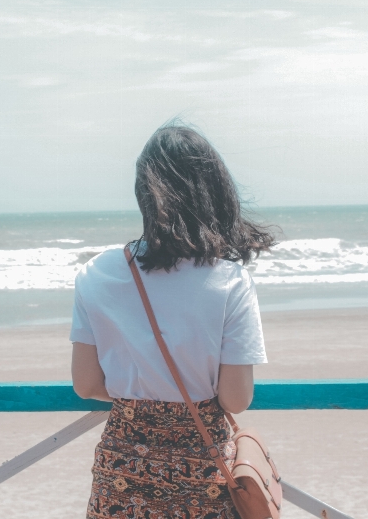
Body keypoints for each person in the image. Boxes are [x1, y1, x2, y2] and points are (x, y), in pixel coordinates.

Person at [70, 124, 275, 519]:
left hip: (121, 476)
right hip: (204, 478)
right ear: (214, 193)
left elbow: (87, 384)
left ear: (144, 193)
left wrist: (144, 399)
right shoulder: (229, 281)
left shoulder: (96, 273)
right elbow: (236, 399)